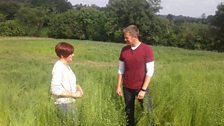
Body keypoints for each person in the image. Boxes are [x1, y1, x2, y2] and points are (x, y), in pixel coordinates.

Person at [116, 25, 154, 126]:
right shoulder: (124, 50)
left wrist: (143, 90)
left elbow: (150, 71)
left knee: (148, 112)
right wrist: (118, 86)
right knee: (128, 113)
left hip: (141, 88)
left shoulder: (147, 49)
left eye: (126, 37)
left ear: (134, 37)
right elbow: (121, 69)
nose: (125, 40)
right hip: (127, 88)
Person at [51, 42, 83, 117]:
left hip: (70, 103)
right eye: (70, 53)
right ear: (62, 55)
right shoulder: (58, 68)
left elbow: (67, 83)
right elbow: (55, 90)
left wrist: (78, 87)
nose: (73, 55)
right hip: (63, 105)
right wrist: (73, 94)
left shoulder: (66, 66)